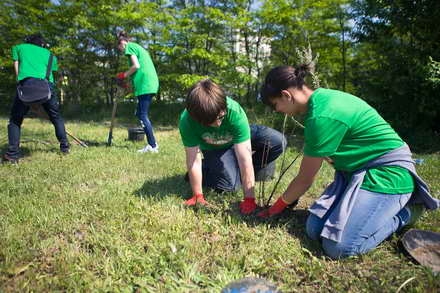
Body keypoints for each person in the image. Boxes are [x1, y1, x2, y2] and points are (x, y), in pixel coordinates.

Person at [258, 64, 440, 259]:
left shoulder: (322, 116)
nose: (278, 111)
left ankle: (407, 212)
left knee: (340, 248)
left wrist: (276, 208)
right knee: (314, 229)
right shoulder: (321, 99)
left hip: (388, 174)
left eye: (276, 105)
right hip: (358, 172)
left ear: (286, 95)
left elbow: (304, 179)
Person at [178, 79, 286, 214]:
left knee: (277, 141)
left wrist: (249, 199)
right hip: (215, 148)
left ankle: (235, 166)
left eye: (221, 118)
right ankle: (207, 169)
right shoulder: (187, 121)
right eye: (211, 122)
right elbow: (193, 159)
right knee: (230, 186)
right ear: (197, 119)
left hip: (237, 137)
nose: (218, 124)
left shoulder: (234, 111)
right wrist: (197, 195)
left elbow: (245, 158)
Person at [2, 34, 69, 164]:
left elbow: (17, 68)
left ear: (29, 42)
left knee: (15, 120)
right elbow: (50, 72)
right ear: (42, 44)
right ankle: (65, 147)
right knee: (56, 118)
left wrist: (22, 87)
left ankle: (13, 155)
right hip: (46, 87)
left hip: (26, 84)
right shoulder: (50, 55)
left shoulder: (19, 47)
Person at [116, 31, 159, 153]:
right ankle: (152, 144)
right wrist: (126, 83)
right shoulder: (137, 47)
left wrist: (123, 75)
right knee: (139, 113)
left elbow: (136, 66)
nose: (121, 51)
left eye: (119, 48)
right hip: (147, 83)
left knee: (142, 115)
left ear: (122, 43)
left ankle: (153, 145)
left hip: (146, 84)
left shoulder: (129, 47)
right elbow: (136, 71)